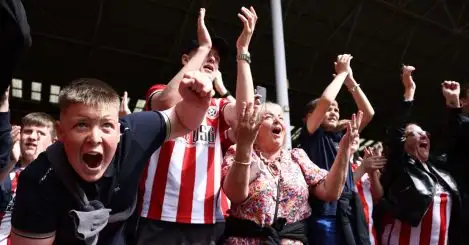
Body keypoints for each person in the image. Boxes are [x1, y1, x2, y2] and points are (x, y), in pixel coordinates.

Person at [10, 75, 214, 245]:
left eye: (106, 125)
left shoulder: (134, 135)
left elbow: (182, 119)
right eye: (82, 125)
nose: (95, 138)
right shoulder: (38, 179)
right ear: (61, 132)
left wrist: (196, 102)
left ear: (118, 130)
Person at [136, 7, 257, 245]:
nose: (212, 58)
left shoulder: (219, 106)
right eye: (206, 53)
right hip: (158, 215)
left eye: (217, 57)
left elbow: (246, 113)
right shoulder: (160, 90)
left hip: (208, 218)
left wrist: (242, 52)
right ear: (186, 60)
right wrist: (202, 49)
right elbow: (166, 102)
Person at [221, 101, 361, 244]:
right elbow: (235, 194)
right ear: (254, 126)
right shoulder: (238, 152)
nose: (277, 120)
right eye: (268, 116)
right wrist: (244, 146)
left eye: (281, 117)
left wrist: (344, 150)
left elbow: (330, 191)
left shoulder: (297, 156)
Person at [377, 66, 461, 245]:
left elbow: (455, 141)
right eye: (415, 133)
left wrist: (453, 104)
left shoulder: (440, 170)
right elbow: (394, 132)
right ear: (403, 141)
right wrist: (410, 91)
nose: (425, 135)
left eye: (425, 132)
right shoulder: (399, 166)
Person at [300, 54, 375, 245]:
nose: (333, 111)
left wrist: (350, 80)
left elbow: (368, 113)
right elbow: (325, 100)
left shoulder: (341, 137)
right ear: (309, 116)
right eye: (329, 109)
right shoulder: (312, 135)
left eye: (337, 109)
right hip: (326, 209)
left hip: (350, 203)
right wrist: (340, 75)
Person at [0, 112, 56, 245]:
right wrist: (11, 162)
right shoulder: (5, 168)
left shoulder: (57, 177)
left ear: (53, 143)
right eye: (28, 131)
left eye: (40, 133)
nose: (32, 137)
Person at [351, 145, 386, 245]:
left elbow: (378, 196)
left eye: (357, 134)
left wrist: (372, 173)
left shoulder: (361, 163)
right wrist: (363, 168)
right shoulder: (336, 164)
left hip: (369, 233)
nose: (354, 136)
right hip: (349, 231)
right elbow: (340, 190)